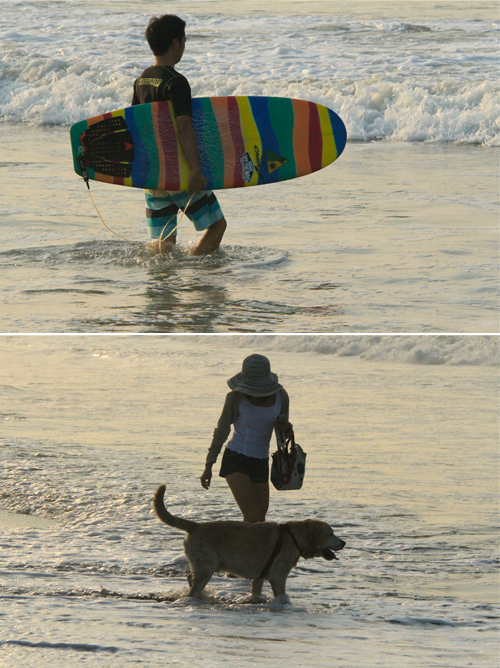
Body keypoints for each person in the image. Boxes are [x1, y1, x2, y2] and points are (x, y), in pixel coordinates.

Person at [132, 14, 227, 255]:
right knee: (217, 225)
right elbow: (183, 127)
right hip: (179, 172)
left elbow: (136, 126)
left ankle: (162, 287)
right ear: (175, 43)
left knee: (163, 244)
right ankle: (196, 272)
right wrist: (195, 170)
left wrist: (141, 171)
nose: (184, 45)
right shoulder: (176, 82)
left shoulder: (141, 80)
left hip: (154, 175)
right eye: (184, 40)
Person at [200, 354, 293, 600]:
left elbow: (283, 437)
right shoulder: (235, 398)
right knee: (253, 517)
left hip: (261, 462)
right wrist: (209, 464)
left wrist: (287, 427)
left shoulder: (281, 397)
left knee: (259, 522)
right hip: (236, 458)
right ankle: (248, 578)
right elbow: (221, 430)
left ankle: (246, 576)